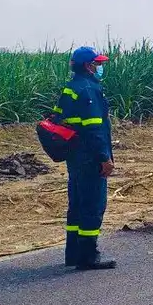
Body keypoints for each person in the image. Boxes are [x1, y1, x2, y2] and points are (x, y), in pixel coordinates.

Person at [55, 46, 115, 270]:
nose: (100, 68)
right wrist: (104, 158)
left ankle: (73, 253)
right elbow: (94, 129)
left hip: (75, 157)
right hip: (90, 157)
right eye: (97, 64)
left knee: (77, 205)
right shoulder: (90, 90)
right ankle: (88, 256)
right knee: (92, 205)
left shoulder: (70, 89)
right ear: (88, 66)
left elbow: (59, 119)